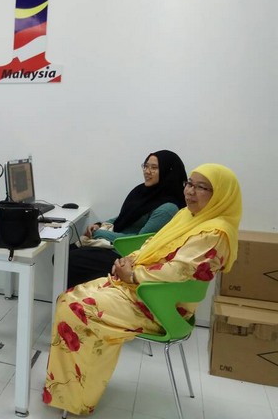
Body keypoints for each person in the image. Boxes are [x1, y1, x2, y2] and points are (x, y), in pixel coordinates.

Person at [44, 163, 242, 416]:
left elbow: (178, 271)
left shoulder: (215, 232)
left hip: (162, 304)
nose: (190, 191)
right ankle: (74, 388)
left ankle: (74, 394)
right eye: (190, 184)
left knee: (76, 308)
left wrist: (133, 274)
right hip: (143, 290)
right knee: (69, 296)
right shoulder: (188, 216)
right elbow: (152, 244)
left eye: (201, 187)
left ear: (222, 195)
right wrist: (130, 260)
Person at [67, 150, 187, 287]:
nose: (147, 171)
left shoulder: (167, 208)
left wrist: (100, 233)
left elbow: (139, 242)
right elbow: (124, 217)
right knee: (64, 254)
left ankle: (73, 298)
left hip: (125, 256)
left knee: (68, 260)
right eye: (146, 166)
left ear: (168, 172)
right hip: (113, 246)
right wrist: (100, 224)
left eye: (154, 168)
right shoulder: (143, 192)